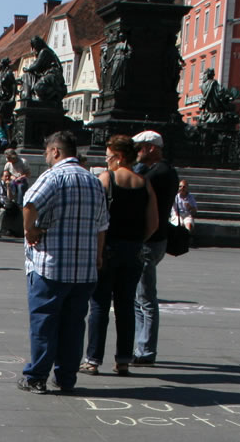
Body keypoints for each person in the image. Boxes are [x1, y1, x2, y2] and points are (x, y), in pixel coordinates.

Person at [18, 129, 107, 394]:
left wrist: (30, 229)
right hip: (84, 269)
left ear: (56, 151)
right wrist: (98, 256)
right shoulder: (93, 181)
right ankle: (67, 377)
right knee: (73, 325)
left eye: (47, 152)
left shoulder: (53, 177)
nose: (46, 157)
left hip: (51, 265)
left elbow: (29, 203)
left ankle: (37, 377)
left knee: (45, 322)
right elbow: (102, 225)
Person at [80, 134, 156, 378]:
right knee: (125, 306)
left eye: (109, 156)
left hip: (107, 248)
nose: (107, 160)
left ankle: (93, 360)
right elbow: (154, 222)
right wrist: (137, 239)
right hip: (133, 251)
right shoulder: (144, 183)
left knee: (100, 305)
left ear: (120, 157)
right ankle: (123, 360)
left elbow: (95, 217)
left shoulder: (106, 179)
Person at [132, 129, 177, 366]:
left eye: (139, 148)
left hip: (150, 239)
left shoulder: (159, 173)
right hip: (153, 238)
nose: (135, 152)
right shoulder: (159, 170)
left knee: (146, 297)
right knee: (139, 297)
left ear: (151, 148)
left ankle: (147, 349)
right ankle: (142, 345)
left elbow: (136, 188)